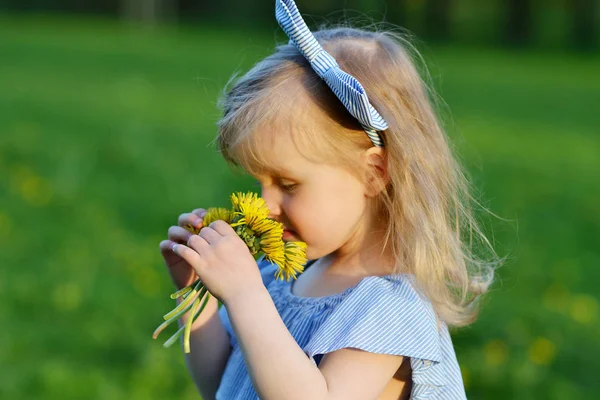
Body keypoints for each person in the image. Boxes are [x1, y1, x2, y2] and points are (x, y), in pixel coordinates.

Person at [159, 0, 500, 399]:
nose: (264, 203)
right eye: (261, 181)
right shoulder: (279, 278)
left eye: (287, 184)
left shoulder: (389, 307)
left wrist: (244, 296)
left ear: (373, 173)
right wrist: (196, 297)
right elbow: (223, 385)